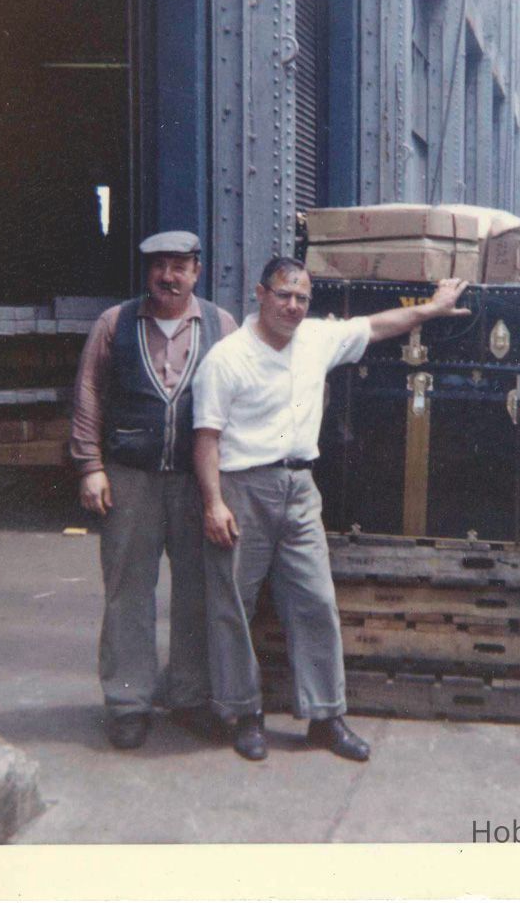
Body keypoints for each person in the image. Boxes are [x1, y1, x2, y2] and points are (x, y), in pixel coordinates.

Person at [192, 256, 470, 761]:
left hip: (300, 489)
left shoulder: (317, 339)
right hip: (242, 491)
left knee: (316, 601)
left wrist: (434, 308)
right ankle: (243, 714)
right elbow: (206, 437)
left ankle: (325, 717)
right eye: (283, 295)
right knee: (234, 606)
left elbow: (379, 325)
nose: (293, 306)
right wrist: (213, 503)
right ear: (260, 294)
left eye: (301, 298)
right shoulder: (227, 358)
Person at [71, 231, 237, 749]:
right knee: (128, 592)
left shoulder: (221, 325)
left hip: (197, 482)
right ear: (148, 271)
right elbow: (89, 393)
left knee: (196, 592)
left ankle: (188, 697)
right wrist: (90, 466)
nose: (169, 276)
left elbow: (242, 394)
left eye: (179, 266)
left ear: (197, 270)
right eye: (159, 266)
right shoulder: (114, 323)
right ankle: (128, 702)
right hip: (129, 478)